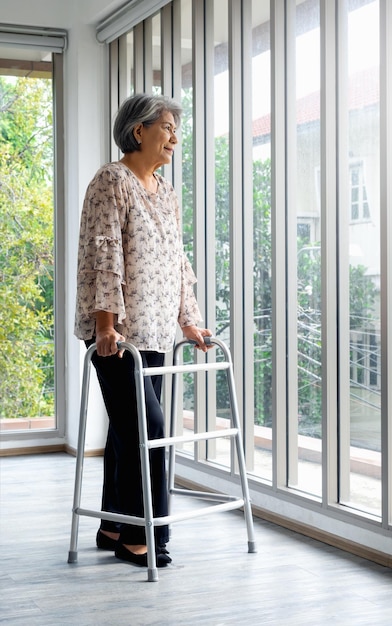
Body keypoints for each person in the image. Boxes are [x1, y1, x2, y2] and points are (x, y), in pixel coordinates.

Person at [74, 93, 212, 568]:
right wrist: (105, 324)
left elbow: (177, 261)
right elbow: (104, 253)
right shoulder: (111, 182)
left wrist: (188, 319)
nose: (176, 137)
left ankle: (112, 521)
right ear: (140, 131)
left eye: (177, 130)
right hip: (116, 334)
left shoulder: (167, 192)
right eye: (169, 127)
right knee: (148, 428)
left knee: (125, 430)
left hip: (154, 331)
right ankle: (145, 535)